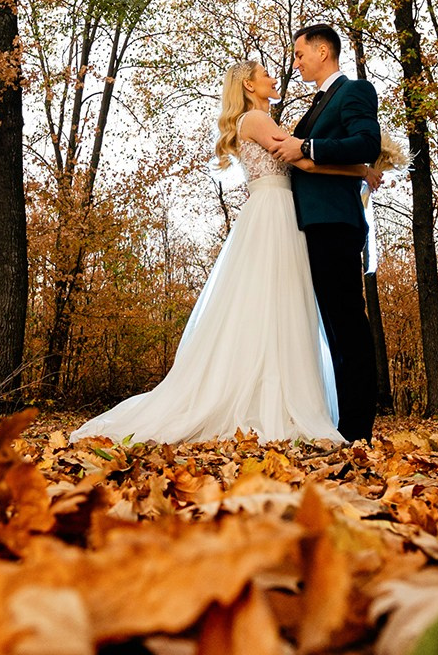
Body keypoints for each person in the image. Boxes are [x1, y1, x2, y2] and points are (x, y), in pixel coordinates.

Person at [72, 56, 382, 445]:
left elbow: (306, 158)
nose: (274, 76)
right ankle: (266, 400)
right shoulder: (255, 121)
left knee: (281, 306)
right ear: (249, 86)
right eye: (264, 74)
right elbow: (302, 160)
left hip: (285, 212)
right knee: (272, 303)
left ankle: (283, 395)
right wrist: (361, 170)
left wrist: (355, 167)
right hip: (273, 213)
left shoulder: (264, 120)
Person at [271, 24, 383, 442]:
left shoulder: (354, 91)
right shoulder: (318, 103)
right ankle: (346, 424)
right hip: (314, 224)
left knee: (348, 323)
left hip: (335, 222)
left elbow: (365, 142)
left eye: (300, 54)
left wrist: (307, 147)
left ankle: (358, 429)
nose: (296, 62)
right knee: (334, 326)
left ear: (323, 51)